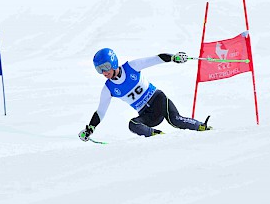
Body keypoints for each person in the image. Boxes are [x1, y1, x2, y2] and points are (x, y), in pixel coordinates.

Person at [79, 48, 212, 142]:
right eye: (99, 69)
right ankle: (159, 138)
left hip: (158, 99)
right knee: (133, 124)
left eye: (105, 67)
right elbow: (100, 112)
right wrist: (90, 129)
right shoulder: (108, 89)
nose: (104, 72)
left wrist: (174, 57)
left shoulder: (131, 67)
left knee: (175, 120)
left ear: (113, 62)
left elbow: (156, 59)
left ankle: (201, 126)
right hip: (147, 114)